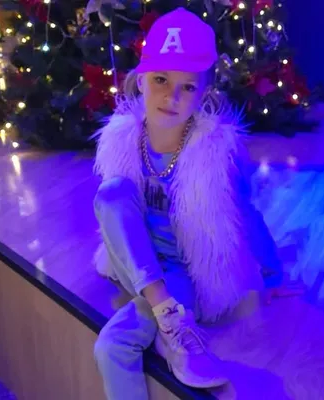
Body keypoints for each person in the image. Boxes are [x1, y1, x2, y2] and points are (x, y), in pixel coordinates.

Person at [91, 7, 286, 400]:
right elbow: (115, 216)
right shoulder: (120, 140)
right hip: (132, 261)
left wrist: (273, 272)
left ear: (203, 94)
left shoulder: (214, 155)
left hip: (178, 274)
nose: (172, 96)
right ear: (141, 80)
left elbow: (245, 215)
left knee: (111, 347)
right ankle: (169, 322)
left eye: (188, 87)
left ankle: (168, 319)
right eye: (161, 79)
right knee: (112, 192)